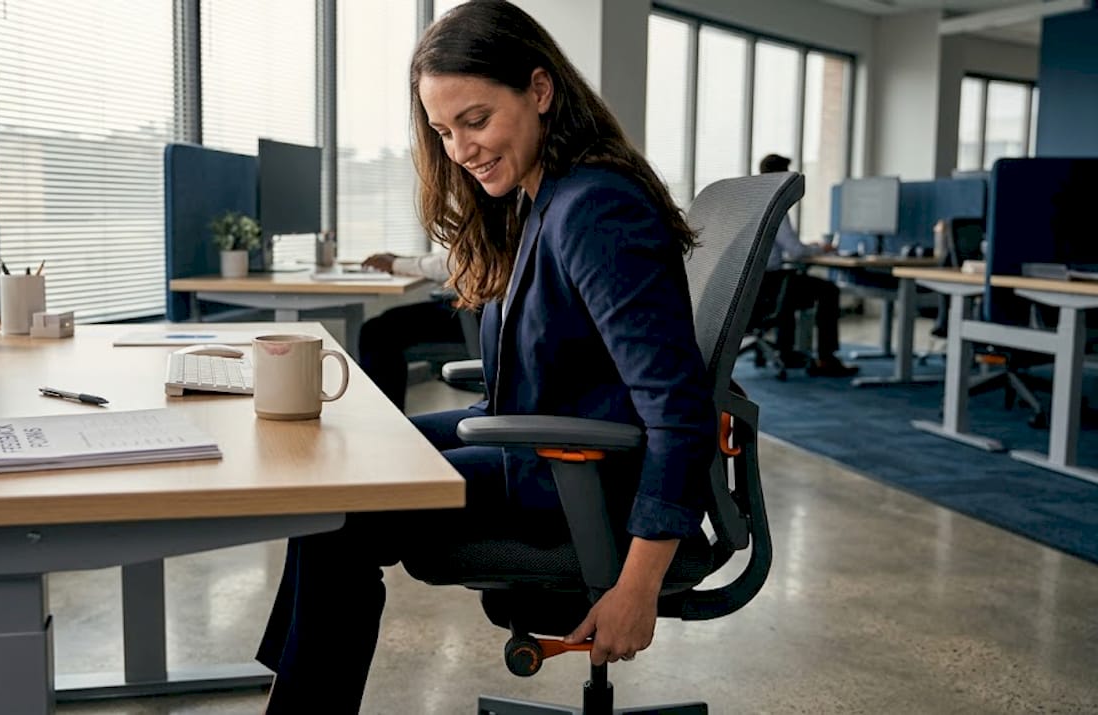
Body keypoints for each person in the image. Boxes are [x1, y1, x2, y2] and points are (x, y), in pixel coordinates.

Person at [256, 2, 717, 711]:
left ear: (539, 90)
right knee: (344, 463)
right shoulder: (542, 198)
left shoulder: (596, 207)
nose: (461, 149)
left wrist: (638, 584)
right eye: (444, 131)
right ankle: (295, 677)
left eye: (475, 120)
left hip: (582, 481)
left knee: (341, 517)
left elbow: (679, 410)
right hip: (540, 437)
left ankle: (300, 696)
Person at [757, 153, 859, 377]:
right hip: (770, 284)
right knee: (828, 291)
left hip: (754, 286)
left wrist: (807, 247)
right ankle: (826, 358)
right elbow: (796, 251)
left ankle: (787, 349)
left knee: (795, 284)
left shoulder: (753, 203)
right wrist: (821, 248)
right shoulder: (775, 207)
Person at [356, 249, 473, 409]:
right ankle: (386, 416)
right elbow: (452, 257)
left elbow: (453, 264)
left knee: (377, 333)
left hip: (474, 317)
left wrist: (395, 264)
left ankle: (386, 419)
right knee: (382, 324)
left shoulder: (493, 227)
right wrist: (402, 260)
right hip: (470, 311)